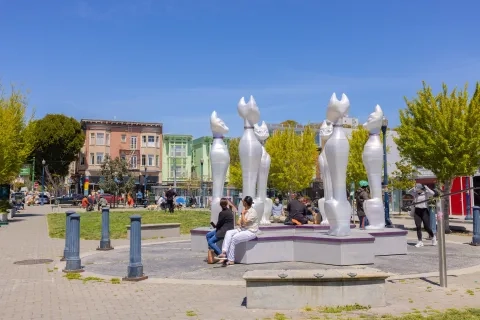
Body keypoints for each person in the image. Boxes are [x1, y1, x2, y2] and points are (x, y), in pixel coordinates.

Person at [216, 196, 258, 266]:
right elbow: (238, 222)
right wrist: (242, 217)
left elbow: (245, 222)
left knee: (234, 238)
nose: (242, 202)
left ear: (245, 203)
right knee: (228, 233)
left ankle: (231, 260)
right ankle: (224, 252)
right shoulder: (244, 209)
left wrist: (243, 214)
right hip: (242, 229)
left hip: (251, 231)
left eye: (243, 201)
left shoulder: (253, 212)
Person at [206, 198, 235, 263]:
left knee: (210, 242)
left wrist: (215, 226)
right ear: (227, 204)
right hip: (226, 230)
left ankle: (221, 254)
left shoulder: (222, 213)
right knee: (208, 235)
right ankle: (214, 252)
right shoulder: (229, 211)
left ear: (220, 205)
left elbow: (219, 224)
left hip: (223, 231)